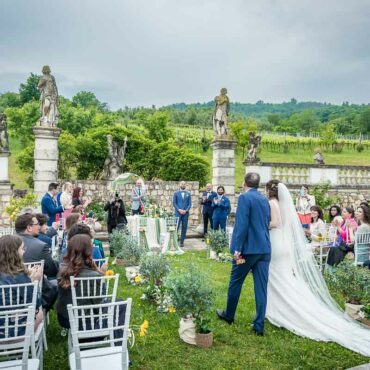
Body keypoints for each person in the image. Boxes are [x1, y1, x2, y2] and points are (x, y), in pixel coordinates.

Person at [264, 180, 370, 357]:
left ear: (270, 191)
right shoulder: (285, 206)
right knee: (283, 277)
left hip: (275, 242)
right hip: (283, 244)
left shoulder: (271, 204)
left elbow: (274, 223)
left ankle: (277, 309)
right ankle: (275, 306)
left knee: (275, 276)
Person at [217, 173, 271, 336]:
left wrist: (237, 249)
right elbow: (266, 222)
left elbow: (241, 225)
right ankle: (259, 325)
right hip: (264, 249)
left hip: (247, 251)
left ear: (245, 183)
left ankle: (229, 315)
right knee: (261, 288)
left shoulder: (244, 198)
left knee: (236, 281)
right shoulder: (264, 199)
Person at [56, 234, 105, 329]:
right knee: (120, 305)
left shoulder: (62, 271)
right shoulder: (93, 276)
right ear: (89, 251)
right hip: (85, 321)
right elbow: (98, 305)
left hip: (64, 318)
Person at [0, 235, 44, 334]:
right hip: (14, 332)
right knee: (40, 314)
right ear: (14, 253)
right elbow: (35, 304)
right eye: (22, 248)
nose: (24, 251)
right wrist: (34, 282)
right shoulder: (19, 276)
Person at [15, 213, 59, 280]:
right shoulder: (40, 246)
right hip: (37, 286)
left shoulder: (7, 243)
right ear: (29, 228)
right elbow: (52, 272)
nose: (39, 227)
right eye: (37, 224)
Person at [173, 181, 192, 248]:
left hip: (185, 213)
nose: (183, 185)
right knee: (176, 227)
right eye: (182, 184)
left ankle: (182, 242)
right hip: (178, 213)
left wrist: (186, 210)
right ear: (179, 185)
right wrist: (179, 210)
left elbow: (190, 204)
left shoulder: (188, 193)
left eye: (184, 184)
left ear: (185, 185)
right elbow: (174, 203)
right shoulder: (175, 193)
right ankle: (175, 241)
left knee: (184, 227)